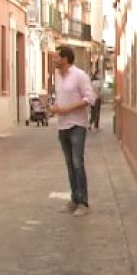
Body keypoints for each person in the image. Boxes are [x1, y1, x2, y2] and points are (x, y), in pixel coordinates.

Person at [49, 45, 97, 216]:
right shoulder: (57, 76)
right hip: (62, 125)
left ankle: (83, 203)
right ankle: (74, 199)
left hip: (77, 124)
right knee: (69, 164)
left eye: (56, 57)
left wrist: (67, 109)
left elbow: (90, 98)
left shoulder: (80, 76)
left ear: (65, 59)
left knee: (78, 163)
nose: (54, 60)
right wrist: (56, 108)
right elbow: (62, 98)